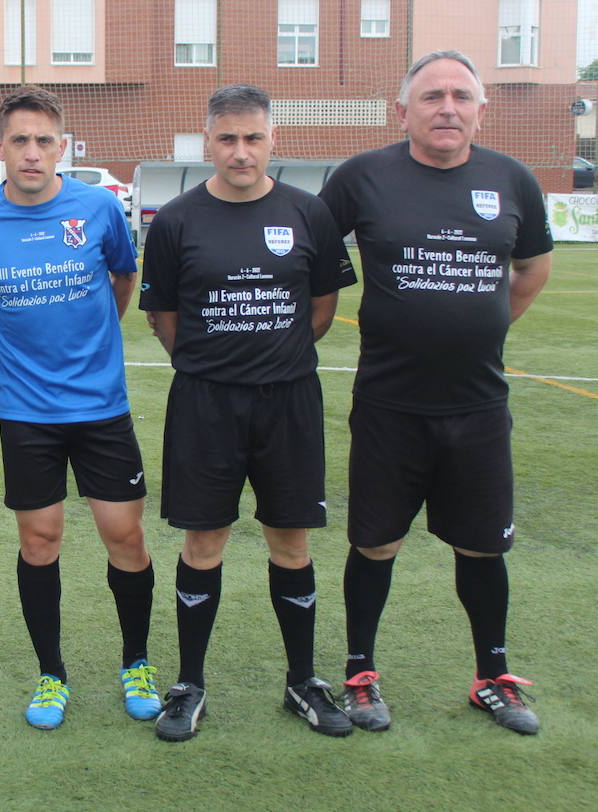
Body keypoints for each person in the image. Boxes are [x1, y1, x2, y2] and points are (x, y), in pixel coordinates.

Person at [319, 50, 553, 736]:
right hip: (390, 407)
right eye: (430, 96)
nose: (446, 107)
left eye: (460, 95)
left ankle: (492, 675)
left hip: (479, 407)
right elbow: (311, 249)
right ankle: (361, 673)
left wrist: (481, 325)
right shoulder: (363, 176)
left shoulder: (512, 179)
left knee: (484, 548)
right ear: (404, 111)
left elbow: (533, 266)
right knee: (376, 545)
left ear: (482, 108)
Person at [140, 84, 357, 742]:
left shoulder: (308, 213)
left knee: (290, 542)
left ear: (272, 139)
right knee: (203, 542)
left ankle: (301, 681)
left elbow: (320, 309)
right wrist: (218, 363)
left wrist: (274, 357)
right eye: (227, 138)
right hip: (206, 403)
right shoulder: (176, 220)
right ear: (207, 141)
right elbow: (163, 317)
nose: (241, 151)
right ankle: (190, 684)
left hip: (289, 401)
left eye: (253, 138)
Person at [0, 85, 157, 730]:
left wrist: (98, 339)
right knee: (40, 541)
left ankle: (137, 662)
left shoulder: (98, 209)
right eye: (19, 141)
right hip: (26, 411)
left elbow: (124, 278)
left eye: (43, 141)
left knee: (125, 536)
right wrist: (9, 340)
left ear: (61, 147)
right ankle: (51, 673)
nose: (31, 153)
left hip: (101, 406)